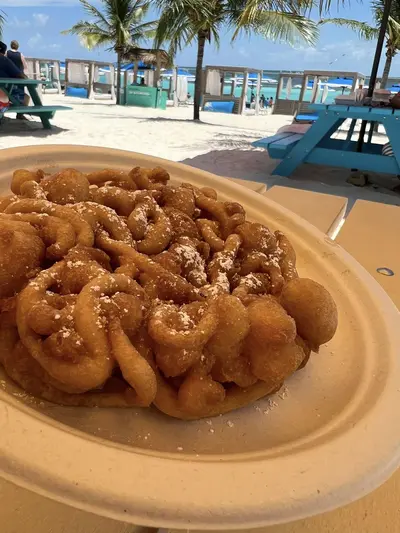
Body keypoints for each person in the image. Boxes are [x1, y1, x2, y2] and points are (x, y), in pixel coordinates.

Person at [0, 41, 29, 119]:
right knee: (25, 98)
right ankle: (20, 114)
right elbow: (23, 69)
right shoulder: (5, 59)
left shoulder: (7, 54)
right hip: (6, 87)